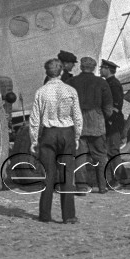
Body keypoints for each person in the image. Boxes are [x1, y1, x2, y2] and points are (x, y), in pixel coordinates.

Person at [29, 58, 82, 224]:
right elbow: (77, 117)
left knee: (48, 175)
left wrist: (34, 140)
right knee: (67, 175)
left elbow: (34, 119)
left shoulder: (41, 92)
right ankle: (69, 215)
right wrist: (77, 136)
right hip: (67, 132)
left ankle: (45, 214)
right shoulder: (70, 90)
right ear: (61, 72)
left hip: (49, 133)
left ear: (47, 72)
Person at [66, 57, 113, 193]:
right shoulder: (102, 83)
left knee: (79, 156)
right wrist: (103, 117)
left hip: (77, 123)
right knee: (100, 155)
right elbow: (108, 107)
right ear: (94, 68)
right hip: (96, 122)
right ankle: (102, 186)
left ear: (81, 67)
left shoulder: (71, 82)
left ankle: (81, 187)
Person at [100, 59, 125, 160]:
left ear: (108, 69)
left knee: (112, 150)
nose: (100, 70)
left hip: (113, 121)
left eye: (102, 68)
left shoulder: (113, 84)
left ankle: (119, 170)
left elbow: (117, 105)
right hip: (110, 120)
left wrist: (110, 119)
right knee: (109, 150)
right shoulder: (108, 83)